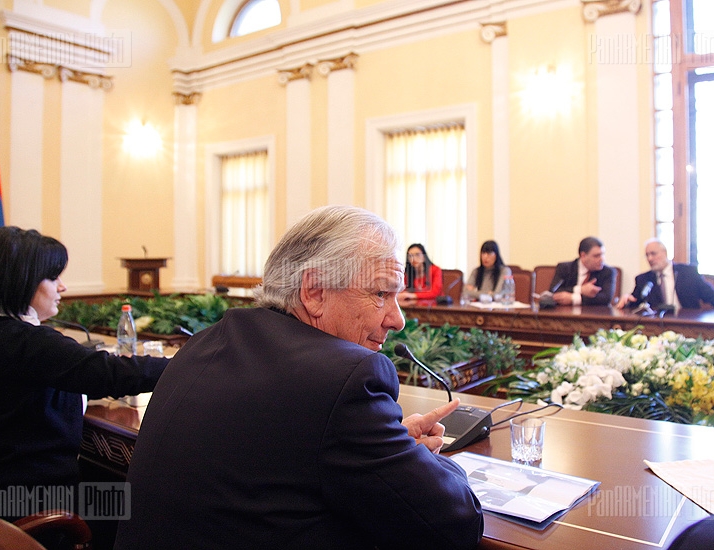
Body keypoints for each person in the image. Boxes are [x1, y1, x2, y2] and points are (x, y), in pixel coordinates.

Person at [114, 206, 484, 550]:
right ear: (315, 291)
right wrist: (426, 460)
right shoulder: (345, 380)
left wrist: (389, 444)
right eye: (381, 294)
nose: (397, 319)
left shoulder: (204, 344)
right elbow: (456, 523)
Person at [0, 227, 169, 517]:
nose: (62, 287)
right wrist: (191, 360)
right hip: (18, 504)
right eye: (53, 278)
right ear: (20, 283)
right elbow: (109, 374)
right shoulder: (23, 341)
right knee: (151, 505)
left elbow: (65, 374)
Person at [617, 238, 714, 310]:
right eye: (647, 255)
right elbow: (635, 304)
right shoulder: (644, 279)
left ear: (665, 253)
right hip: (657, 327)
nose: (650, 258)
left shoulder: (688, 273)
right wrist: (626, 300)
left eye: (653, 253)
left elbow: (712, 297)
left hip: (687, 323)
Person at [550, 236, 616, 306]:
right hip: (565, 312)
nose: (602, 259)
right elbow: (553, 291)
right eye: (597, 256)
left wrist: (574, 298)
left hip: (593, 314)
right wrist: (580, 290)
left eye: (603, 254)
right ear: (583, 255)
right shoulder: (565, 268)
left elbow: (606, 298)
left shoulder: (608, 272)